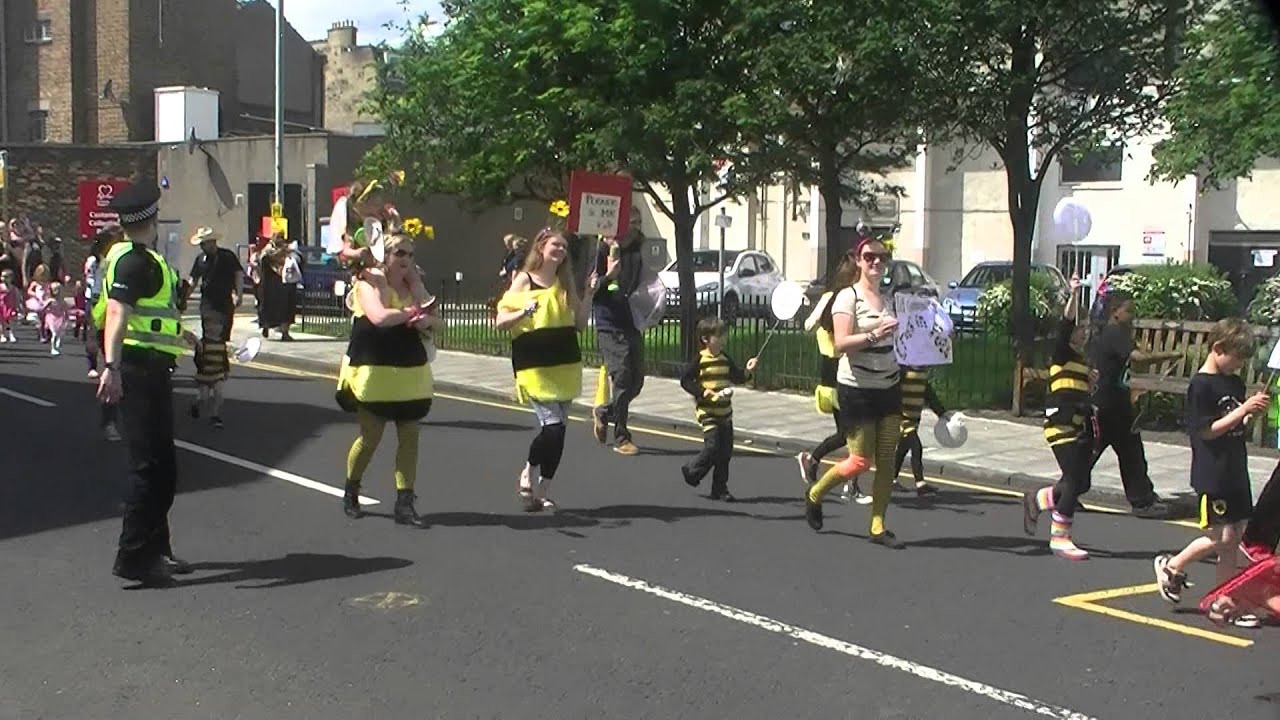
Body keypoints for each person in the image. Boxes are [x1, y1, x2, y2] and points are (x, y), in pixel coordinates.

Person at [94, 182, 195, 586]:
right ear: (150, 219)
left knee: (161, 467)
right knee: (149, 469)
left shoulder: (136, 257)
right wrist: (112, 367)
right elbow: (118, 313)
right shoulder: (134, 261)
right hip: (137, 372)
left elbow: (149, 318)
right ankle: (134, 556)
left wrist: (180, 337)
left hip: (151, 369)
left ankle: (157, 549)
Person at [1154, 318, 1270, 627]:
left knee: (1232, 537)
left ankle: (1175, 566)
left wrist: (1248, 415)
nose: (1239, 365)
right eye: (1236, 358)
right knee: (1226, 538)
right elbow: (1206, 431)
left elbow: (1235, 427)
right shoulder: (1201, 386)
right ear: (1218, 349)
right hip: (1212, 471)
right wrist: (1242, 410)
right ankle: (1223, 602)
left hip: (1235, 468)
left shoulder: (1234, 383)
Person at [803, 238, 905, 548]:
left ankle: (878, 525)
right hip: (857, 390)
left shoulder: (888, 299)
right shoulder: (848, 298)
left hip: (889, 387)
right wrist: (875, 333)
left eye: (881, 257)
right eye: (869, 257)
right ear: (858, 261)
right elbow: (839, 344)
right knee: (860, 461)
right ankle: (815, 493)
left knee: (887, 460)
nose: (876, 262)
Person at [337, 232, 438, 527]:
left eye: (410, 254)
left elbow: (436, 319)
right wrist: (410, 314)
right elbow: (378, 317)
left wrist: (427, 320)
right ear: (386, 257)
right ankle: (351, 489)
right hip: (374, 368)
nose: (407, 260)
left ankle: (405, 503)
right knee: (371, 438)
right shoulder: (368, 284)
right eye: (401, 254)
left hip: (410, 369)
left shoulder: (415, 286)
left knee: (410, 438)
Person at [496, 228, 595, 512]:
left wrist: (588, 293)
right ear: (541, 247)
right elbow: (501, 320)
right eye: (556, 245)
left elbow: (579, 324)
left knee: (559, 432)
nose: (561, 250)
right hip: (534, 364)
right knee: (552, 429)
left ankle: (542, 490)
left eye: (564, 247)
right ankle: (528, 471)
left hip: (564, 362)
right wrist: (523, 312)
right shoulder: (524, 280)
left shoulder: (565, 284)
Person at [1020, 275, 1095, 560]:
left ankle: (1039, 500)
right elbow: (1065, 326)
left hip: (1077, 425)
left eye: (1087, 328)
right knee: (1075, 479)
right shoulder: (1061, 352)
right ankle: (1060, 537)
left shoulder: (1079, 361)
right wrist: (1074, 295)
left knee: (1080, 481)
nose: (1083, 333)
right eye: (1080, 328)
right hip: (1060, 425)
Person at [1088, 290, 1182, 518]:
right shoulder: (1114, 333)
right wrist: (1170, 355)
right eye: (1128, 310)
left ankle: (1066, 491)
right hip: (1110, 404)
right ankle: (1142, 500)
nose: (1132, 315)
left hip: (1111, 403)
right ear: (1115, 312)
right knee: (1126, 453)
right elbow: (1137, 358)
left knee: (1122, 452)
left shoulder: (1110, 333)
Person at [679, 316, 758, 502]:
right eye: (719, 336)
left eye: (724, 336)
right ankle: (692, 470)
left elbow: (737, 377)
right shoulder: (700, 360)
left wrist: (748, 370)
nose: (723, 339)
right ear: (706, 339)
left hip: (725, 413)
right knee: (712, 447)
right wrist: (702, 391)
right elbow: (685, 380)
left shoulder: (725, 358)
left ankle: (720, 488)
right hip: (708, 413)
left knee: (725, 453)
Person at [796, 282, 861, 502]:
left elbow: (807, 325)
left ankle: (848, 482)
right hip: (842, 377)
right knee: (853, 434)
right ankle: (818, 463)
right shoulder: (845, 301)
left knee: (851, 434)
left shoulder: (827, 299)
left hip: (828, 376)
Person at [591, 206, 647, 456]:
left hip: (632, 321)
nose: (635, 226)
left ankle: (605, 411)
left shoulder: (636, 251)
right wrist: (609, 274)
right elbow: (591, 287)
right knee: (622, 376)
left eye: (638, 222)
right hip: (609, 322)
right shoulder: (603, 250)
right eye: (631, 222)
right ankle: (621, 437)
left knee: (636, 382)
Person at [186, 228, 243, 428]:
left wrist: (239, 293)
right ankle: (207, 369)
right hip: (208, 304)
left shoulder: (227, 257)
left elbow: (238, 274)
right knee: (211, 336)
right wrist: (185, 295)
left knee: (221, 338)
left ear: (212, 242)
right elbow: (193, 280)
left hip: (224, 303)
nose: (203, 246)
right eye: (201, 244)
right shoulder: (201, 260)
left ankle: (219, 367)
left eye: (205, 243)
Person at [89, 225, 125, 440]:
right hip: (109, 326)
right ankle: (109, 421)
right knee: (113, 371)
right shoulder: (105, 265)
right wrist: (94, 331)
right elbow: (98, 300)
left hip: (130, 326)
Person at [894, 367, 943, 496]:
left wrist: (942, 414)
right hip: (903, 420)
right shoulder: (902, 373)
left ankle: (891, 479)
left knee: (903, 449)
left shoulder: (922, 376)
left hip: (914, 419)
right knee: (917, 447)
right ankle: (920, 484)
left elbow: (929, 397)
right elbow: (893, 393)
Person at [257, 233, 298, 341]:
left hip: (284, 284)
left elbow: (297, 262)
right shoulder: (269, 251)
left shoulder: (289, 252)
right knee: (269, 308)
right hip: (270, 285)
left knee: (286, 309)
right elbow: (262, 260)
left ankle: (285, 332)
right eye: (278, 238)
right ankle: (266, 326)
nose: (280, 240)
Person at [43, 281, 69, 356]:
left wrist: (66, 317)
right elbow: (43, 308)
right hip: (51, 317)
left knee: (60, 333)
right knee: (54, 333)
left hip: (60, 318)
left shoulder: (62, 301)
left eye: (60, 290)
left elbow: (66, 310)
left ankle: (58, 342)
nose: (58, 292)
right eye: (56, 290)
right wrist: (46, 311)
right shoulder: (51, 301)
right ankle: (53, 348)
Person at [0, 269, 19, 342]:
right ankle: (2, 335)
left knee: (12, 322)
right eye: (2, 276)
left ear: (11, 278)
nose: (3, 278)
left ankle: (12, 334)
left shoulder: (13, 288)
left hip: (10, 307)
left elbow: (17, 297)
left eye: (6, 277)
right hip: (1, 307)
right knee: (2, 323)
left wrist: (18, 307)